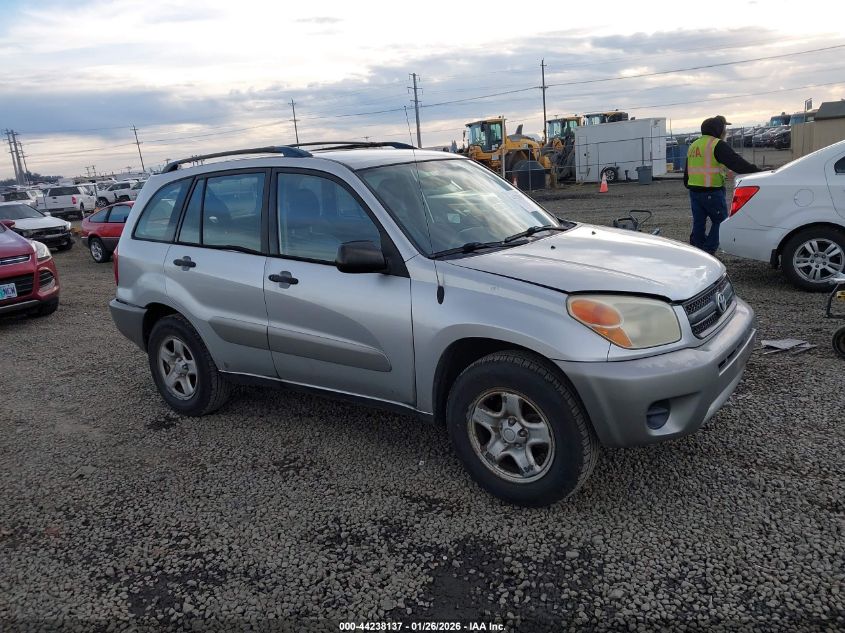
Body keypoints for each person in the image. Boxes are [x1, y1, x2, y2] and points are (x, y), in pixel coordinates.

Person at [684, 115, 760, 254]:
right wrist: (757, 172)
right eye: (724, 128)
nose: (725, 131)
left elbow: (687, 171)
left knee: (699, 222)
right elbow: (736, 162)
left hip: (694, 191)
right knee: (720, 221)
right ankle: (708, 250)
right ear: (718, 129)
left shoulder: (694, 145)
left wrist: (689, 185)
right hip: (711, 191)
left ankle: (699, 251)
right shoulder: (716, 144)